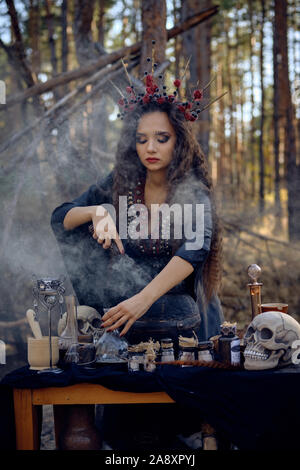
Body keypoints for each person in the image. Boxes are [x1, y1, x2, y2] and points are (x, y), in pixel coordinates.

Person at [51, 76, 224, 449]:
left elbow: (193, 251)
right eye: (142, 138)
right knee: (130, 434)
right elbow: (61, 217)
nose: (150, 147)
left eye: (161, 138)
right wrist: (97, 211)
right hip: (133, 321)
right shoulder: (121, 182)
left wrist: (141, 299)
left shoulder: (191, 189)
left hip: (186, 313)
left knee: (184, 430)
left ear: (179, 140)